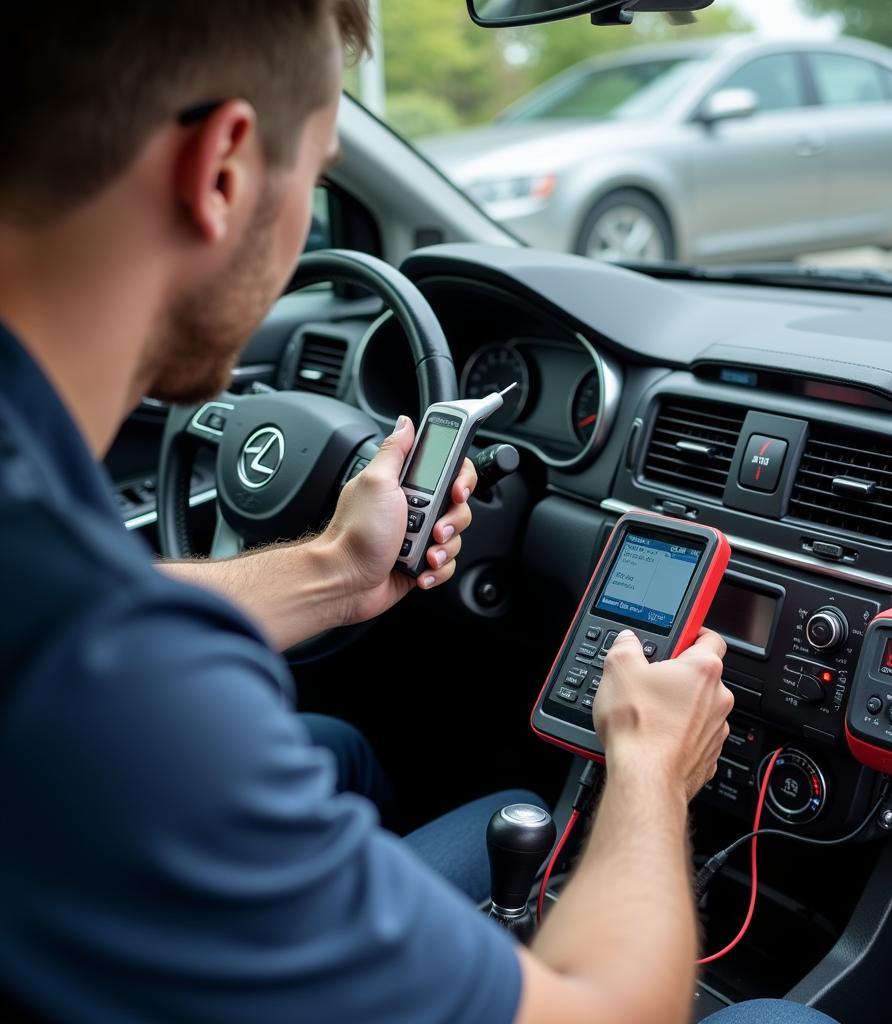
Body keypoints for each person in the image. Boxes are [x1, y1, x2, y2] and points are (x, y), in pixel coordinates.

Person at [0, 3, 838, 1022]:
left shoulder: (42, 534)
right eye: (314, 178)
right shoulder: (115, 686)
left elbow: (73, 595)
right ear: (222, 169)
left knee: (343, 751)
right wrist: (650, 773)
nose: (309, 211)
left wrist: (330, 572)